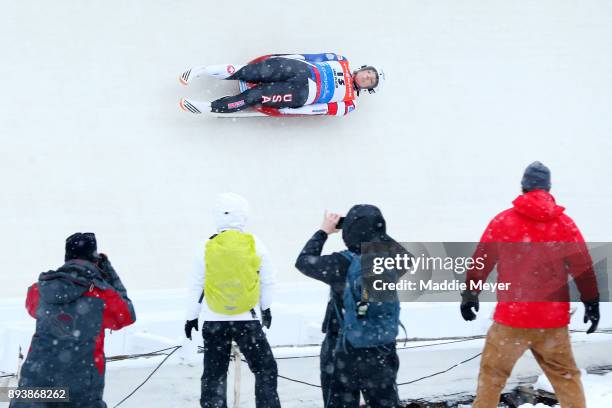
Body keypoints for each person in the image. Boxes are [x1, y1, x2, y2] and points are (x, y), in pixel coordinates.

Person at [461, 161, 600, 408]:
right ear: (548, 188)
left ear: (524, 187)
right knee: (567, 379)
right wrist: (591, 303)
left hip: (512, 320)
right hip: (552, 322)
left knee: (492, 377)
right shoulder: (564, 224)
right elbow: (584, 268)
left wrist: (470, 293)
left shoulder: (503, 221)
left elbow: (481, 260)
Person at [295, 205, 404, 408]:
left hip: (342, 346)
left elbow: (303, 262)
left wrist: (324, 231)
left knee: (340, 402)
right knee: (385, 403)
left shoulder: (339, 264)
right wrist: (377, 232)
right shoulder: (393, 259)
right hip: (381, 347)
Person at [10, 233, 136, 408]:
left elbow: (31, 307)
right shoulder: (102, 293)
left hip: (35, 382)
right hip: (80, 387)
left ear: (66, 257)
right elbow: (127, 315)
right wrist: (109, 274)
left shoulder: (40, 289)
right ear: (95, 260)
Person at [184, 192, 280, 408]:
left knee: (214, 375)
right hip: (248, 321)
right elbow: (269, 281)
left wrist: (191, 318)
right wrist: (265, 308)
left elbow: (195, 286)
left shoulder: (205, 246)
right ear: (244, 216)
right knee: (265, 369)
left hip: (214, 321)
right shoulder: (255, 243)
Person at [179, 53, 385, 116]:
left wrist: (289, 111)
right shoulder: (340, 59)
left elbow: (320, 110)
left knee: (256, 95)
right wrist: (280, 57)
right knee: (250, 71)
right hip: (301, 69)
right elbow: (310, 57)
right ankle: (201, 71)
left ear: (369, 88)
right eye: (369, 73)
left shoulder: (350, 103)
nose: (367, 77)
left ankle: (208, 107)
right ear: (364, 68)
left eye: (371, 81)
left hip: (303, 93)